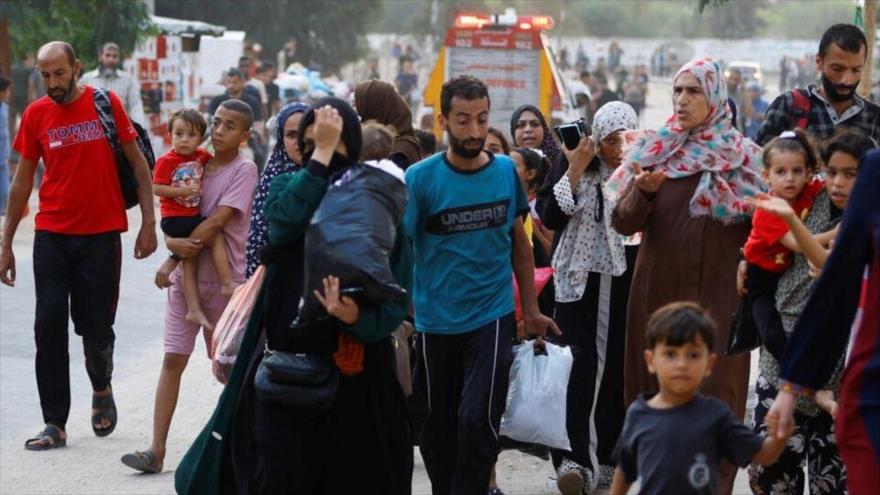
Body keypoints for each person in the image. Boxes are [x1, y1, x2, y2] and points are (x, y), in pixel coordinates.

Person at [178, 97, 413, 493]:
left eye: (331, 141)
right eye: (309, 144)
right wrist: (321, 157)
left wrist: (357, 318)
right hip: (286, 372)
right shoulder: (288, 187)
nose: (317, 151)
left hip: (356, 378)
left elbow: (395, 295)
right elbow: (285, 225)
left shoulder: (377, 204)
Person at [605, 58, 765, 495]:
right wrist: (643, 191)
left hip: (721, 301)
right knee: (654, 398)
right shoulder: (654, 151)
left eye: (693, 91)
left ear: (714, 98)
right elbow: (621, 222)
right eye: (678, 90)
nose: (682, 100)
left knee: (718, 400)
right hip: (657, 297)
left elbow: (765, 231)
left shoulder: (745, 160)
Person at [405, 75, 559, 495]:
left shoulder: (506, 172)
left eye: (482, 120)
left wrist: (529, 308)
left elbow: (519, 245)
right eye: (463, 120)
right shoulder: (420, 180)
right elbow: (401, 249)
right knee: (439, 427)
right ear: (443, 121)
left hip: (491, 316)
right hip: (436, 320)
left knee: (478, 418)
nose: (474, 131)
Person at [1, 41, 157, 450]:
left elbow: (139, 164)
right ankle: (54, 422)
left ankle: (101, 387)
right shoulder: (35, 115)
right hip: (51, 233)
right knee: (47, 323)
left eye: (59, 73)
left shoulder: (106, 104)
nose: (51, 83)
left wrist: (148, 224)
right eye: (44, 74)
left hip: (102, 234)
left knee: (95, 326)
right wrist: (5, 243)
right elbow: (21, 182)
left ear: (76, 68)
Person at [120, 99, 258, 474]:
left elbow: (216, 222)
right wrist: (173, 248)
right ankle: (156, 449)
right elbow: (171, 209)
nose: (219, 130)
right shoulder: (193, 163)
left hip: (226, 284)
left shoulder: (244, 171)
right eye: (216, 122)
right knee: (172, 358)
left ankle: (237, 451)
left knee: (230, 369)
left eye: (230, 126)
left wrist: (172, 257)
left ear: (245, 136)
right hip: (188, 280)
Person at [741, 129, 875, 494]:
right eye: (832, 172)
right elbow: (762, 271)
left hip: (840, 377)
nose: (838, 183)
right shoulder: (802, 201)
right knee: (773, 480)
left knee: (832, 483)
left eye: (851, 174)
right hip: (783, 356)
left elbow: (834, 273)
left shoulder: (871, 223)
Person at [536, 101, 640, 493]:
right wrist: (576, 165)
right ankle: (573, 460)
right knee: (576, 369)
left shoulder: (639, 171)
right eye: (609, 139)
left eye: (624, 138)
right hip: (579, 284)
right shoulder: (576, 164)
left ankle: (609, 457)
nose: (617, 148)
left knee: (615, 369)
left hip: (624, 281)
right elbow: (550, 214)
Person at [610, 302, 792, 495]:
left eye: (693, 355)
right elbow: (624, 471)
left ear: (709, 363)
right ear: (651, 360)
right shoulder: (639, 414)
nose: (681, 364)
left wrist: (779, 437)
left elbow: (762, 454)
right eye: (670, 354)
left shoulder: (717, 415)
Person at [741, 130, 828, 363]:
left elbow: (830, 184)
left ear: (808, 173)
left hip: (786, 273)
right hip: (760, 279)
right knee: (772, 336)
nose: (790, 178)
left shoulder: (808, 192)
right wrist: (838, 233)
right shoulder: (767, 209)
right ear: (766, 176)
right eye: (781, 172)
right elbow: (798, 245)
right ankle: (796, 371)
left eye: (797, 171)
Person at [152, 109, 238, 331]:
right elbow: (156, 187)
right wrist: (179, 192)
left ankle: (193, 310)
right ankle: (227, 282)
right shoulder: (166, 161)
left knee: (189, 262)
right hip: (175, 218)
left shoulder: (201, 156)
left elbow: (217, 165)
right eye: (179, 134)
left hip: (191, 217)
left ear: (201, 139)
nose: (184, 140)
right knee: (215, 237)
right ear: (170, 134)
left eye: (191, 135)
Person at [757, 24, 880, 145]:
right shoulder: (788, 106)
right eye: (837, 69)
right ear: (818, 62)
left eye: (856, 70)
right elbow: (760, 161)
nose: (847, 80)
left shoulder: (874, 117)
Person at [245, 101, 308, 278]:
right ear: (280, 138)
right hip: (279, 280)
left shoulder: (332, 176)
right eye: (291, 135)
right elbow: (259, 239)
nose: (300, 142)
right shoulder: (273, 180)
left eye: (305, 133)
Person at [353, 79, 422, 168]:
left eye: (358, 104)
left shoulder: (400, 151)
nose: (355, 109)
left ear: (374, 106)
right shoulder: (366, 139)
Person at [79, 42, 146, 126]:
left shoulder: (128, 80)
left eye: (115, 56)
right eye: (107, 55)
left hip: (122, 129)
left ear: (119, 59)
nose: (111, 59)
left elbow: (135, 106)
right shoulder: (86, 79)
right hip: (94, 130)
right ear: (100, 57)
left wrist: (140, 129)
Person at [509, 104, 562, 173]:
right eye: (521, 125)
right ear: (513, 132)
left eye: (535, 124)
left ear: (544, 130)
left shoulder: (560, 162)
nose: (528, 129)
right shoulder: (506, 164)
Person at [725, 68, 752, 133]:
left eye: (736, 79)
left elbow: (748, 113)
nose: (732, 82)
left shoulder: (741, 94)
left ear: (739, 81)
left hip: (737, 132)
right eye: (731, 78)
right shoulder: (721, 91)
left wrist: (744, 89)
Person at [0, 76, 9, 217]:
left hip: (3, 157)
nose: (8, 93)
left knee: (5, 190)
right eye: (6, 90)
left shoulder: (5, 108)